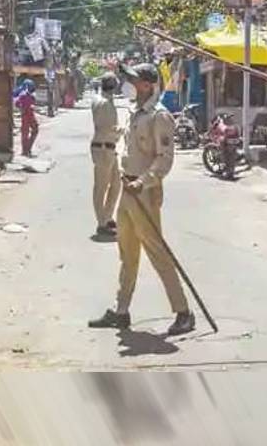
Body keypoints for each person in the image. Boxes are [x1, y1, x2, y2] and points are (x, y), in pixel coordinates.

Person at [89, 63, 195, 336]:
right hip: (128, 189)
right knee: (128, 253)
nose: (131, 84)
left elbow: (165, 159)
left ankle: (183, 312)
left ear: (148, 85)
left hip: (144, 192)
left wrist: (143, 181)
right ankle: (121, 311)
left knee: (157, 252)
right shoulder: (136, 112)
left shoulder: (159, 117)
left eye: (136, 81)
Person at [91, 72, 122, 237]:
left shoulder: (101, 100)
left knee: (116, 184)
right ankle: (101, 222)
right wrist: (123, 131)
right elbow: (109, 129)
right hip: (104, 148)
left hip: (108, 148)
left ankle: (107, 216)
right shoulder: (105, 104)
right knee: (101, 187)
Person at [15, 79, 39, 157]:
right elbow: (18, 104)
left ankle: (26, 149)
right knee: (31, 131)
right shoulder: (27, 96)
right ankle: (27, 149)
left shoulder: (24, 95)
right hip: (28, 115)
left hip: (26, 115)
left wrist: (21, 108)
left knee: (26, 133)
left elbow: (17, 104)